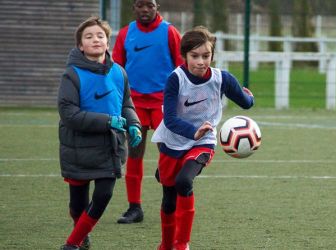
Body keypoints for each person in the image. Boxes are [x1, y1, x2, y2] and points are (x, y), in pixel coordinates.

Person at [151, 26, 255, 250]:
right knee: (168, 200)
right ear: (185, 56)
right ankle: (166, 244)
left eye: (206, 56)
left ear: (212, 55)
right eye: (194, 56)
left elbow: (245, 103)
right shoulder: (175, 79)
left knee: (183, 182)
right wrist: (191, 131)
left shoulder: (222, 79)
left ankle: (182, 244)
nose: (200, 61)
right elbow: (169, 119)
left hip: (203, 143)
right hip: (172, 141)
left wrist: (249, 98)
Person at [57, 16, 142, 250]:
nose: (95, 39)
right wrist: (108, 121)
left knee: (104, 194)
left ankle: (72, 244)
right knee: (78, 205)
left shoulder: (119, 73)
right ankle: (82, 236)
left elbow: (126, 103)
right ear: (80, 46)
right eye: (89, 36)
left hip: (110, 147)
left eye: (100, 36)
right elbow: (69, 115)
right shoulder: (71, 75)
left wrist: (133, 123)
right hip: (78, 148)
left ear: (108, 42)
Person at [112, 0, 183, 224]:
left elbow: (182, 66)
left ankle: (170, 204)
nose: (145, 10)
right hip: (134, 104)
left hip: (165, 103)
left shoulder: (170, 32)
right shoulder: (126, 34)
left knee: (170, 153)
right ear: (134, 7)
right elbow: (116, 69)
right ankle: (135, 208)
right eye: (140, 5)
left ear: (157, 6)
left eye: (150, 5)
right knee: (134, 153)